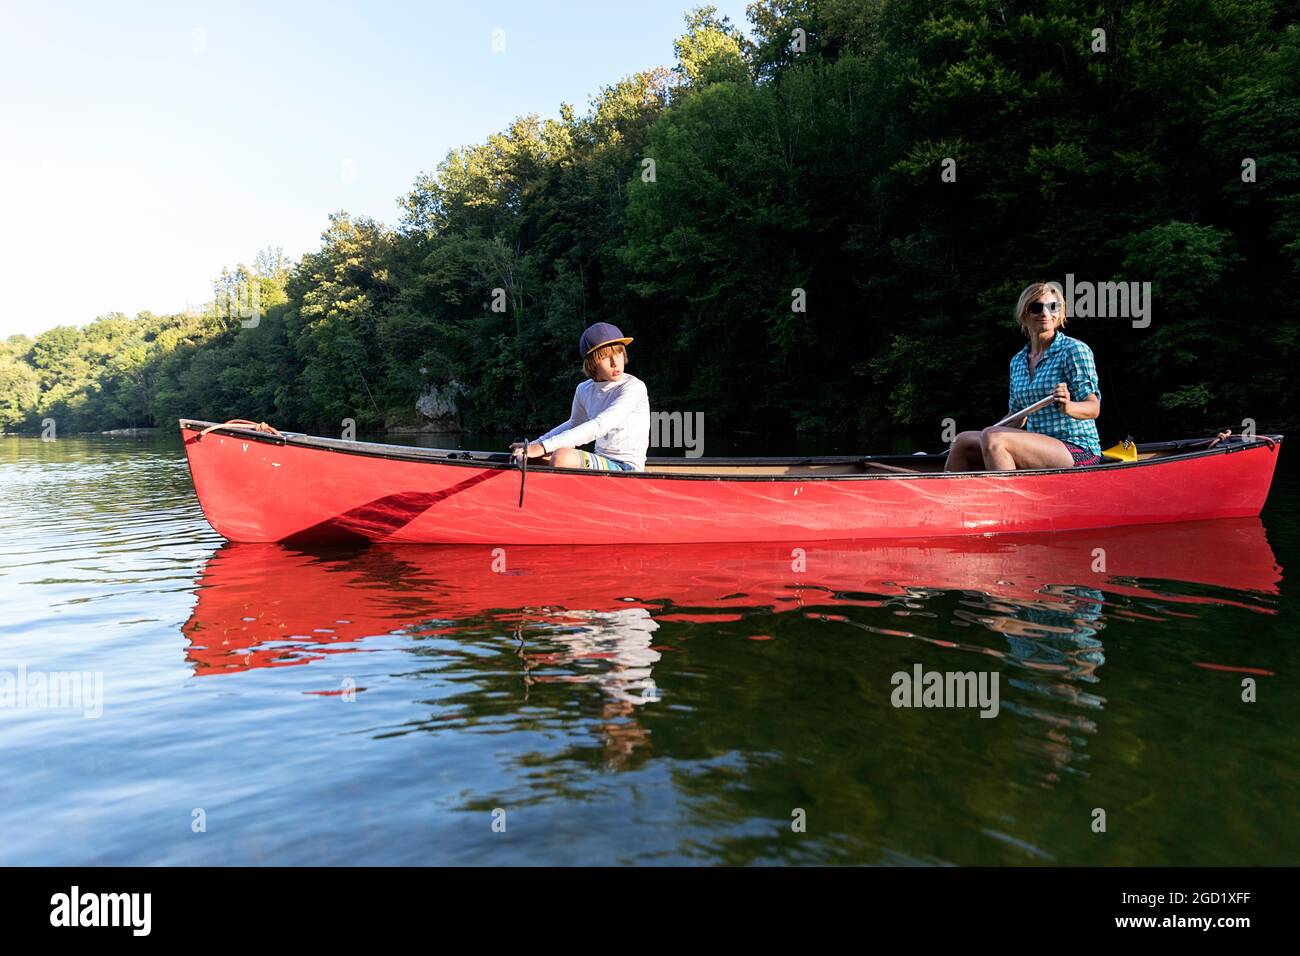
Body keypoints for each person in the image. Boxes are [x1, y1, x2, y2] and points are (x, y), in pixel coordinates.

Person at [946, 281, 1102, 471]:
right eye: (1036, 307)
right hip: (1035, 445)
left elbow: (1093, 408)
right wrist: (989, 433)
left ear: (1060, 313)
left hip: (1076, 448)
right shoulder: (1018, 361)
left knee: (995, 438)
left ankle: (1009, 499)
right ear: (1024, 314)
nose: (1045, 313)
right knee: (962, 441)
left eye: (1053, 307)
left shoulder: (1074, 350)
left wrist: (1068, 406)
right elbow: (1017, 416)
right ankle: (952, 499)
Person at [510, 322, 650, 471]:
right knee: (531, 458)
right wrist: (533, 445)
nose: (616, 362)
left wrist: (543, 446)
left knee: (562, 457)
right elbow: (574, 424)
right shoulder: (583, 389)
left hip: (627, 467)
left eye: (618, 353)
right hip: (602, 459)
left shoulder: (634, 387)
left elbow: (600, 425)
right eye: (605, 357)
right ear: (592, 363)